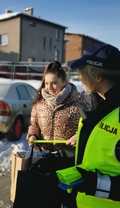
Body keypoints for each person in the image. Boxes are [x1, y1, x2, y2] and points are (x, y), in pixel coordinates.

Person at [57, 44, 120, 208]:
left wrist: (93, 184)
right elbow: (97, 153)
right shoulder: (95, 108)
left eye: (82, 70)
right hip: (80, 202)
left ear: (98, 76)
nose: (79, 76)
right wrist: (60, 158)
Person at [26, 60, 83, 208]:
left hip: (70, 160)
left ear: (64, 81)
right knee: (48, 200)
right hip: (47, 159)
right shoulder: (39, 103)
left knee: (70, 201)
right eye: (46, 83)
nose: (49, 87)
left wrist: (79, 136)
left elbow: (87, 127)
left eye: (54, 83)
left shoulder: (79, 102)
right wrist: (32, 135)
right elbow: (34, 125)